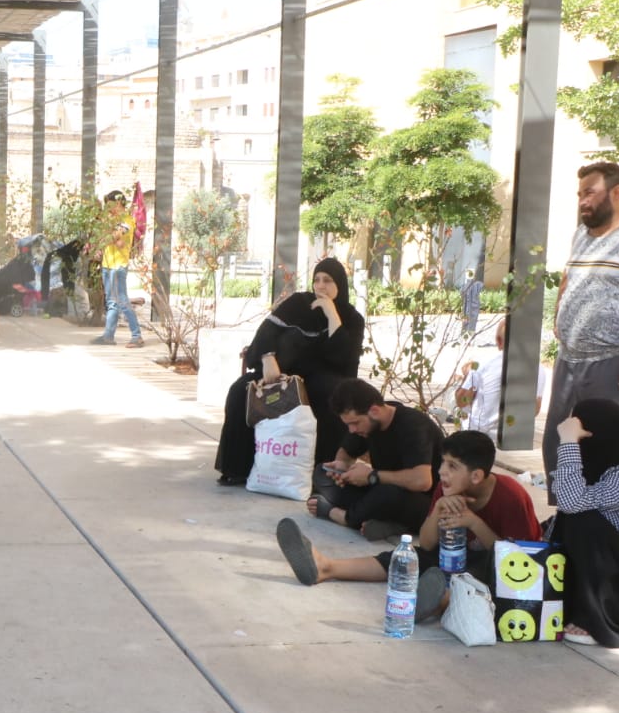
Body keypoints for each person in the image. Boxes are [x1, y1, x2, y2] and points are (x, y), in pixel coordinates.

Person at [275, 431, 540, 624]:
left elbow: (526, 561)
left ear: (477, 476)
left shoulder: (511, 496)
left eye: (452, 466)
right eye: (443, 462)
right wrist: (437, 511)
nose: (442, 471)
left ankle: (441, 601)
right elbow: (427, 543)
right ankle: (326, 567)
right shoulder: (447, 488)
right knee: (412, 556)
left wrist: (473, 522)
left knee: (478, 571)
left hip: (501, 570)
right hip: (455, 559)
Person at [544, 161, 619, 496]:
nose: (583, 201)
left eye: (590, 193)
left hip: (614, 362)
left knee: (610, 444)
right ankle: (566, 513)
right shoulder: (581, 236)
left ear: (617, 193)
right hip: (569, 360)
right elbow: (568, 277)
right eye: (579, 195)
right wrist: (559, 315)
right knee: (560, 440)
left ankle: (613, 516)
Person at [214, 259, 366, 486]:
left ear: (340, 284)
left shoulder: (352, 318)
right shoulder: (298, 303)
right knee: (239, 390)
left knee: (333, 395)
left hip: (322, 377)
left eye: (328, 281)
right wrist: (268, 358)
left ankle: (323, 472)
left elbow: (344, 358)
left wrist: (332, 313)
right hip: (281, 372)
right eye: (317, 280)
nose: (320, 286)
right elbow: (267, 331)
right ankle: (237, 468)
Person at [552, 400, 619, 648]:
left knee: (581, 518)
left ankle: (598, 617)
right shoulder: (595, 469)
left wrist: (568, 444)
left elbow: (570, 502)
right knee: (567, 521)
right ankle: (611, 606)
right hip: (607, 571)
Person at [309, 378, 442, 541]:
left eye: (355, 423)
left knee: (387, 493)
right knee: (322, 472)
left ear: (375, 411)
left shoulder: (413, 425)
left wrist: (372, 476)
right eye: (348, 425)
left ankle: (340, 515)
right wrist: (341, 469)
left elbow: (422, 481)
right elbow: (345, 453)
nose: (352, 430)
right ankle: (383, 521)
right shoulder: (368, 422)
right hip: (381, 490)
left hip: (424, 503)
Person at [455, 317, 551, 439]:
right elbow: (534, 410)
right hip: (513, 436)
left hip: (480, 435)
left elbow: (461, 402)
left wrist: (467, 376)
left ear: (499, 341)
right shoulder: (538, 369)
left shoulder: (483, 363)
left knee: (456, 395)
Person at [91, 190, 143, 348]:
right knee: (112, 302)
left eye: (110, 205)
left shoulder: (126, 220)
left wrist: (107, 231)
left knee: (122, 301)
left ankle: (137, 336)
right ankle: (108, 336)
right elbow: (109, 239)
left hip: (118, 266)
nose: (108, 209)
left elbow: (114, 236)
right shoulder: (112, 221)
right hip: (107, 264)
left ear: (119, 203)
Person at [460, 268, 482, 335]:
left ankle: (464, 334)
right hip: (474, 306)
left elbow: (462, 296)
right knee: (472, 321)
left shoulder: (464, 286)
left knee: (466, 320)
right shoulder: (478, 284)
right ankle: (470, 334)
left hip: (467, 306)